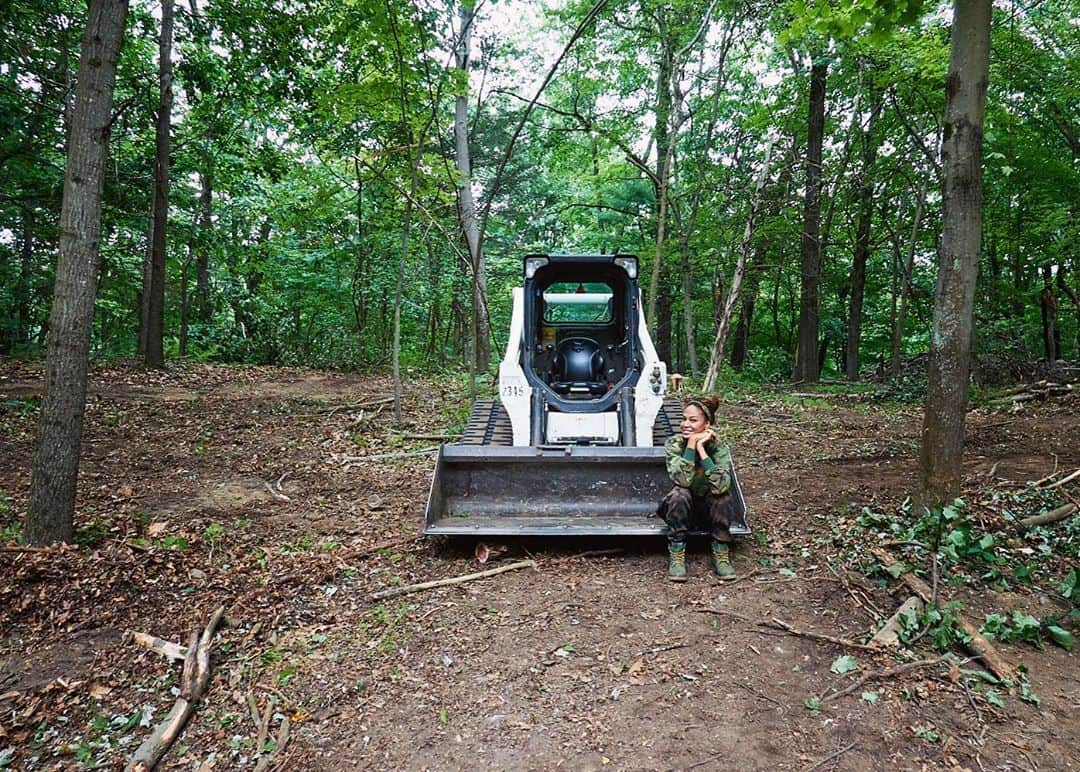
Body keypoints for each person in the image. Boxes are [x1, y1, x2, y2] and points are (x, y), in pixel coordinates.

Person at [657, 395, 735, 581]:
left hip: (708, 513)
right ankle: (677, 552)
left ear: (706, 425)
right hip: (682, 512)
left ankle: (721, 551)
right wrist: (691, 444)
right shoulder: (674, 444)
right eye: (684, 419)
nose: (685, 424)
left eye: (693, 420)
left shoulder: (718, 447)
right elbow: (682, 480)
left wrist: (702, 450)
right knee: (679, 494)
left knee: (722, 496)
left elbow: (721, 485)